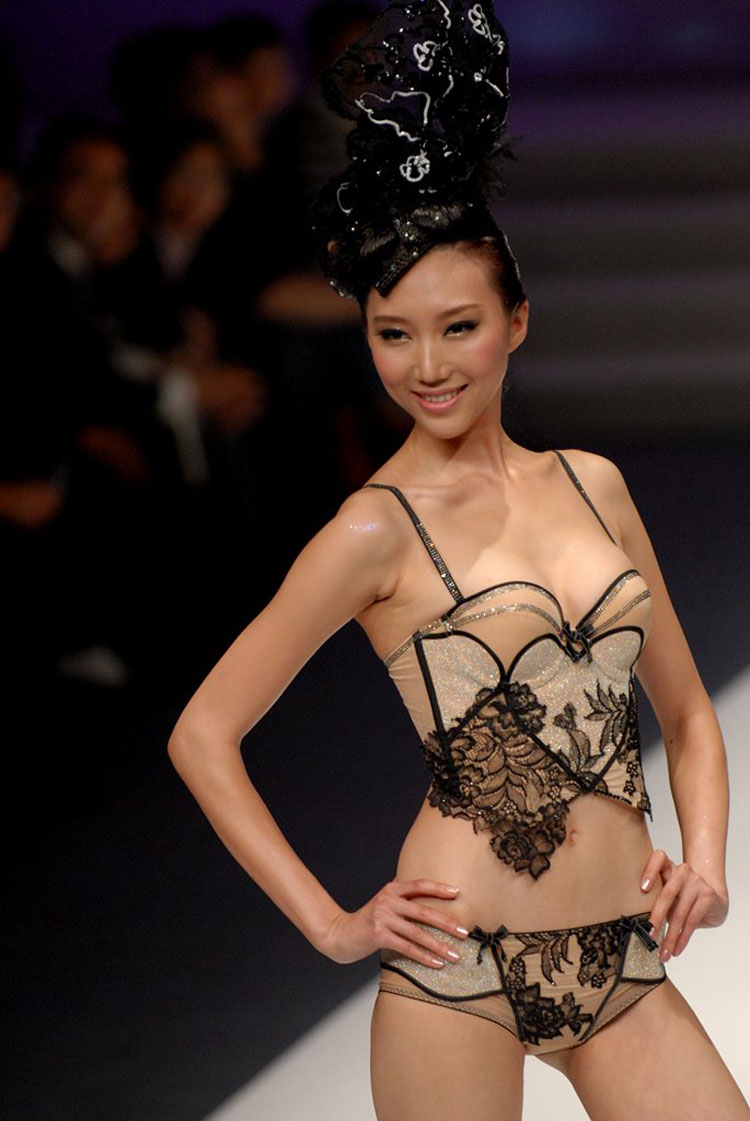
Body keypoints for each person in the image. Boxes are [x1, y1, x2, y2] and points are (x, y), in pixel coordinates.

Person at [167, 2, 748, 1117]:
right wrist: (332, 923)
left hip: (624, 959)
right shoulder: (372, 528)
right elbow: (203, 732)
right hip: (458, 965)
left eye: (458, 326)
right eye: (393, 333)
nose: (426, 365)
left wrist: (709, 863)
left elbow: (684, 713)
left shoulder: (594, 482)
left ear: (517, 321)